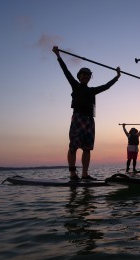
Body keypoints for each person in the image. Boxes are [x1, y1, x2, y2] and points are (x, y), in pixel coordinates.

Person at [52, 46, 121, 181]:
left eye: (87, 75)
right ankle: (72, 174)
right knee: (73, 146)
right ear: (79, 77)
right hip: (78, 118)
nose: (85, 76)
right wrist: (58, 56)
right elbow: (66, 71)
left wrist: (117, 76)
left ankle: (84, 174)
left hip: (90, 121)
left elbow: (107, 86)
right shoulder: (75, 85)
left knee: (87, 148)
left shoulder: (92, 90)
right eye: (82, 74)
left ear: (90, 78)